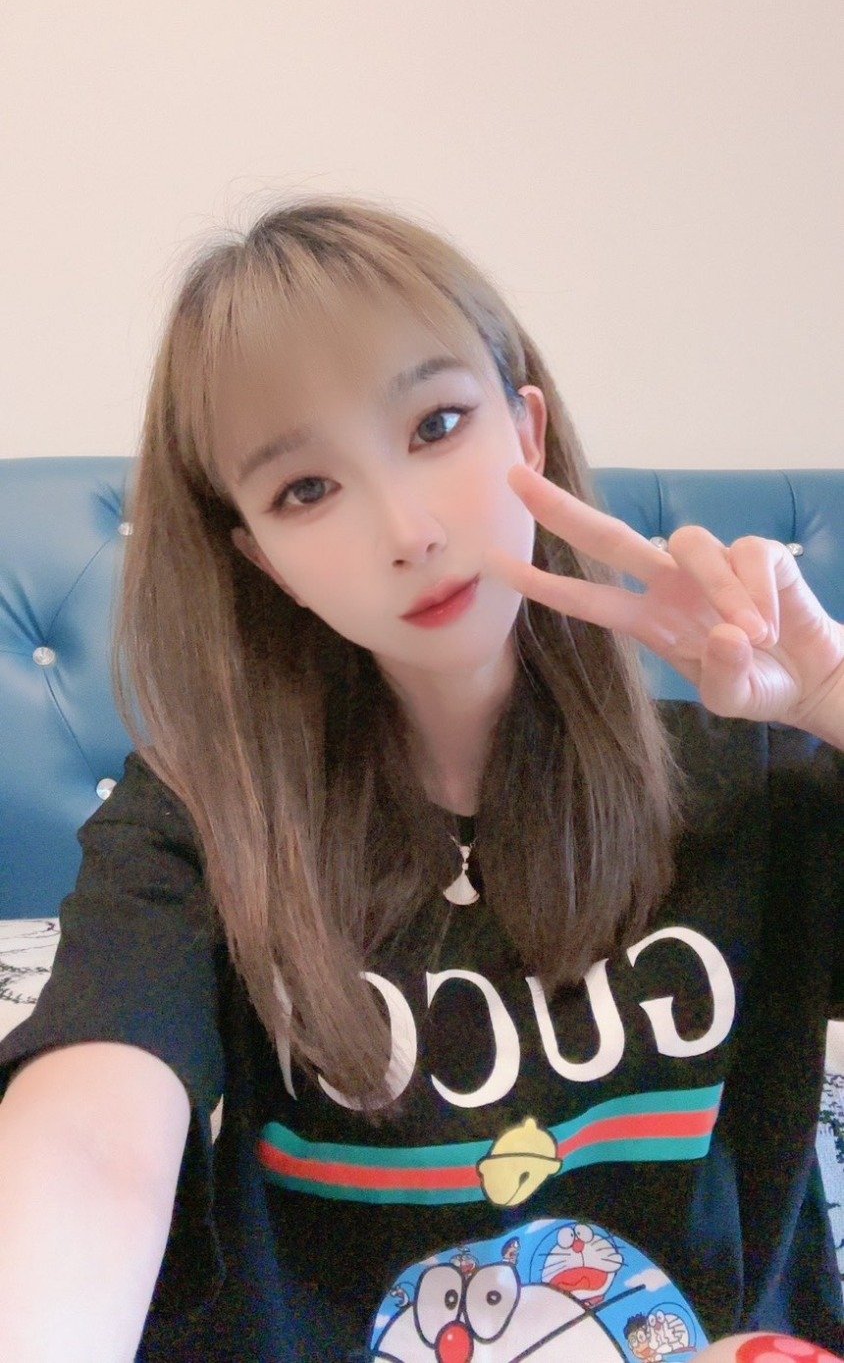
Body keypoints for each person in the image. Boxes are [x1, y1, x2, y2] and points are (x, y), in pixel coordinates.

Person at [0, 196, 841, 1363]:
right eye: (305, 490)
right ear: (262, 558)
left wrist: (828, 695)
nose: (406, 529)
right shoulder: (202, 822)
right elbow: (93, 1137)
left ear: (527, 432)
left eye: (437, 424)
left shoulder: (751, 783)